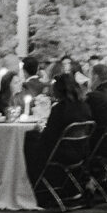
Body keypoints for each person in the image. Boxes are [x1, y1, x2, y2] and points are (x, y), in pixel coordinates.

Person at [24, 73, 92, 205]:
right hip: (81, 152)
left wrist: (38, 132)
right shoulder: (84, 107)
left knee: (30, 140)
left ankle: (33, 187)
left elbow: (48, 138)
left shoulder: (60, 109)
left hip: (62, 153)